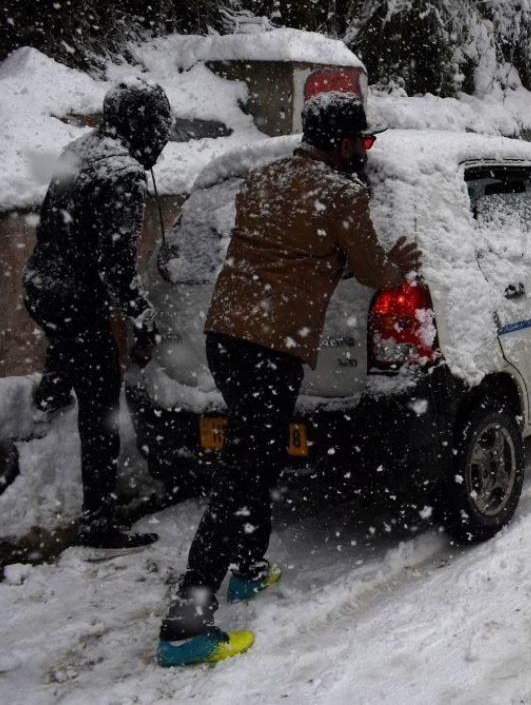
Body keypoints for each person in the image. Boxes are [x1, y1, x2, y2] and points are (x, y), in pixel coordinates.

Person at [158, 91, 422, 668]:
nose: (365, 150)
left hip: (227, 336)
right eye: (363, 141)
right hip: (270, 348)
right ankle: (186, 624)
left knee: (258, 454)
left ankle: (249, 567)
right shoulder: (344, 194)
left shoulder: (263, 178)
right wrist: (395, 265)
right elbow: (371, 267)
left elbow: (288, 244)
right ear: (343, 143)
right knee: (241, 473)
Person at [22, 78, 173, 550]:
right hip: (75, 298)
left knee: (68, 346)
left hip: (43, 287)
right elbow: (116, 265)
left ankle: (48, 400)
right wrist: (143, 320)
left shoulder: (80, 149)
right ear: (146, 126)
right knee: (102, 403)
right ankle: (99, 518)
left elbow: (59, 230)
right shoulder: (122, 173)